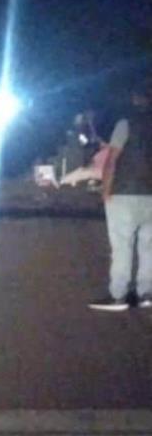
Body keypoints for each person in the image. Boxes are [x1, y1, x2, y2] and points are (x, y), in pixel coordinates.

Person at [89, 78, 152, 311]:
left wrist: (106, 189)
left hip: (124, 193)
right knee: (149, 247)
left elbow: (112, 159)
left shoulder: (126, 124)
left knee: (122, 246)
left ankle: (119, 295)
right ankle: (146, 292)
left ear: (136, 99)